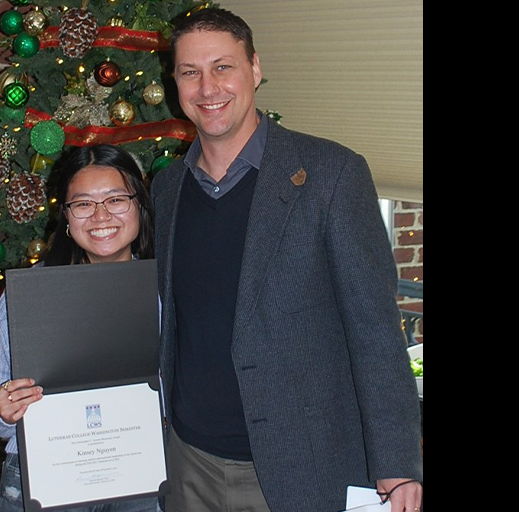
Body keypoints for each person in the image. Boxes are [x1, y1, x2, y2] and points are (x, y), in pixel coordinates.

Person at [150, 7, 423, 512]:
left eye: (223, 67)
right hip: (188, 464)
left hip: (298, 467)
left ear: (254, 68)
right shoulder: (167, 189)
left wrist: (399, 462)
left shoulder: (331, 175)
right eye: (190, 72)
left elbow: (375, 331)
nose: (208, 88)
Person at [0, 144, 159, 512]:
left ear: (139, 207)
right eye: (84, 203)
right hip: (43, 472)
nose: (101, 216)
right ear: (68, 218)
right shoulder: (30, 294)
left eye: (116, 199)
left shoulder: (164, 288)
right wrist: (1, 407)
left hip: (139, 474)